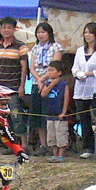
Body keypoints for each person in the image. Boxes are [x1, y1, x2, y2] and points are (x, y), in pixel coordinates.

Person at [0, 17, 29, 147]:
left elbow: (24, 67)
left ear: (14, 29)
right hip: (0, 86)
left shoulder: (21, 46)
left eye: (9, 28)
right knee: (4, 117)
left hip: (13, 86)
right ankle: (11, 143)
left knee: (16, 115)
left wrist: (22, 86)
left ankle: (23, 145)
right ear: (0, 29)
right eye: (4, 28)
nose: (6, 30)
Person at [71, 22, 96, 159]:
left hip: (95, 88)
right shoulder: (80, 50)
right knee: (84, 118)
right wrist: (78, 73)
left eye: (90, 32)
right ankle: (87, 147)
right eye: (85, 32)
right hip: (80, 89)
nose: (87, 35)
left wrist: (89, 73)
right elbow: (75, 67)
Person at [28, 22, 64, 155]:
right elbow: (32, 68)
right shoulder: (35, 48)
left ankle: (54, 144)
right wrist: (39, 80)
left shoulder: (56, 47)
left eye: (43, 32)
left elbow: (55, 67)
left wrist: (44, 80)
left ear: (49, 33)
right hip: (37, 83)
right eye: (38, 32)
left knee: (49, 114)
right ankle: (43, 144)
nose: (40, 34)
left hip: (51, 83)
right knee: (38, 114)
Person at [41, 60, 70, 163]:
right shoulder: (47, 83)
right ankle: (54, 154)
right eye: (48, 70)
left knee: (61, 134)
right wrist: (51, 84)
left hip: (59, 114)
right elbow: (43, 94)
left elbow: (66, 99)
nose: (49, 72)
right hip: (50, 113)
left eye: (52, 70)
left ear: (59, 73)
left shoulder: (64, 84)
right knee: (51, 136)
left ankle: (61, 155)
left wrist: (64, 112)